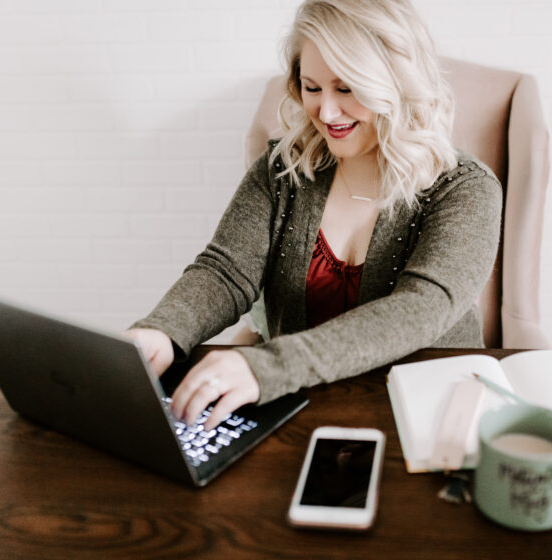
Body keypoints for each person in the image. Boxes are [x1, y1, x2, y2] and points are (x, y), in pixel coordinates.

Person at [125, 0, 502, 430]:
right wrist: (163, 330)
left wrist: (267, 366)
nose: (326, 112)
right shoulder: (282, 169)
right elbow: (225, 272)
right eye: (312, 87)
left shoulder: (466, 189)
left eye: (346, 89)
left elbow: (421, 308)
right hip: (297, 409)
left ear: (395, 84)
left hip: (430, 416)